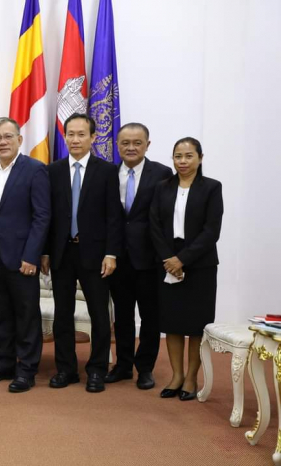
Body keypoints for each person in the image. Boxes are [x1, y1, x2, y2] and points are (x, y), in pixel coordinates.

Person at [41, 113, 122, 393]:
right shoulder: (53, 171)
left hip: (96, 255)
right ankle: (66, 369)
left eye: (81, 134)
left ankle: (97, 370)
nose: (75, 139)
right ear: (64, 137)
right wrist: (45, 252)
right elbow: (48, 216)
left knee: (99, 314)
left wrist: (111, 253)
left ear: (93, 137)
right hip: (62, 254)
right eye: (70, 134)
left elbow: (114, 217)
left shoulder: (107, 171)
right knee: (63, 314)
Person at [0, 117, 50, 393]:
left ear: (19, 139)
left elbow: (42, 216)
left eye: (8, 136)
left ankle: (27, 369)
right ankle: (4, 363)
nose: (3, 142)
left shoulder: (35, 169)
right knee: (1, 314)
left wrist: (32, 255)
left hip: (22, 259)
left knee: (26, 316)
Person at [150, 137, 223, 401]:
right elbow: (154, 225)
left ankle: (191, 378)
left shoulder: (212, 187)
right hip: (167, 262)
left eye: (189, 156)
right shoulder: (162, 187)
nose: (182, 161)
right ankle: (176, 376)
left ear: (200, 158)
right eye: (178, 156)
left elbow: (211, 231)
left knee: (196, 325)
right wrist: (169, 259)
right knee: (172, 323)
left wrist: (182, 260)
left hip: (200, 265)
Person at [105, 123, 172, 390]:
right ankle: (123, 365)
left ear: (147, 145)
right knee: (122, 316)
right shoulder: (108, 174)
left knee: (150, 316)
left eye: (137, 143)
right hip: (117, 257)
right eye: (125, 143)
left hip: (149, 258)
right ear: (117, 145)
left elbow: (166, 216)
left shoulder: (162, 173)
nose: (131, 147)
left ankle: (145, 368)